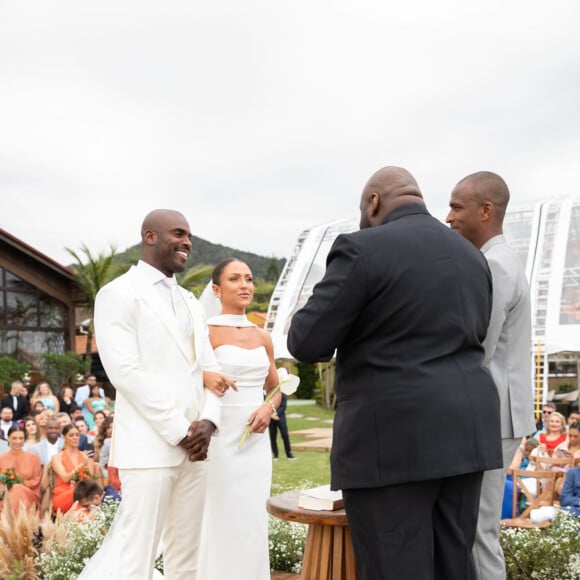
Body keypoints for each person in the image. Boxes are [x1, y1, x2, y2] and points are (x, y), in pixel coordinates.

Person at [287, 166, 502, 580]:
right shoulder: (473, 257)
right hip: (466, 431)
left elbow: (307, 341)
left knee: (394, 565)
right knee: (453, 563)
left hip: (390, 439)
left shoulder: (361, 249)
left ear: (372, 203)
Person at [80, 209, 235, 580]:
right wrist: (181, 430)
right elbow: (125, 372)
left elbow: (210, 370)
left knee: (187, 557)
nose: (187, 242)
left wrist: (209, 423)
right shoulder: (116, 294)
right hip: (151, 447)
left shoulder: (191, 302)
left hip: (197, 448)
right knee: (138, 558)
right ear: (150, 237)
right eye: (178, 233)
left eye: (190, 236)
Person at [446, 170, 535, 580]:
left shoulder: (495, 265)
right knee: (477, 529)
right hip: (497, 412)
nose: (448, 217)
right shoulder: (500, 259)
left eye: (456, 207)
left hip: (494, 415)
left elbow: (478, 347)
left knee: (480, 532)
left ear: (486, 211)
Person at [199, 258, 279, 580]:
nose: (245, 285)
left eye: (248, 278)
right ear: (217, 290)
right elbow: (185, 378)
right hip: (221, 437)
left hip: (255, 442)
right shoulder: (207, 333)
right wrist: (205, 376)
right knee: (222, 515)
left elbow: (275, 389)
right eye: (235, 279)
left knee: (252, 516)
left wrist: (268, 408)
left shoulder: (263, 336)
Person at [51, 423, 101, 514]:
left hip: (84, 494)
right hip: (64, 494)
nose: (75, 437)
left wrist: (89, 462)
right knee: (80, 492)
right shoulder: (57, 457)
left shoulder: (85, 456)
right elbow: (65, 478)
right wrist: (81, 465)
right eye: (71, 435)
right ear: (64, 437)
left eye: (77, 435)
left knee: (87, 493)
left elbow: (90, 480)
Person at [0, 425, 42, 515]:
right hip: (5, 495)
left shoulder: (34, 458)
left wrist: (20, 483)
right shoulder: (1, 459)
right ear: (8, 438)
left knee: (17, 489)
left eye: (21, 438)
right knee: (15, 490)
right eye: (14, 438)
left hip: (29, 494)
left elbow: (36, 481)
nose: (18, 441)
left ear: (24, 439)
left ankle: (11, 523)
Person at [269, 392, 296, 460]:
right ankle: (275, 455)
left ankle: (289, 454)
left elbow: (283, 406)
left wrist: (276, 414)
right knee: (273, 437)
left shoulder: (283, 394)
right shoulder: (269, 394)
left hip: (281, 418)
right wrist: (271, 415)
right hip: (271, 419)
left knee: (285, 436)